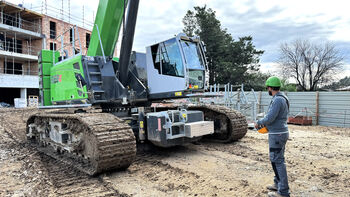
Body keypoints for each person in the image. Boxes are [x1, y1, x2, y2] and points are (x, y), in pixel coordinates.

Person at [255, 76, 290, 197]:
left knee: (278, 161)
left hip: (277, 134)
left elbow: (270, 118)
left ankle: (283, 191)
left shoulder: (277, 100)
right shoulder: (282, 97)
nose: (267, 90)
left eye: (267, 88)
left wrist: (259, 122)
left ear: (270, 88)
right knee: (276, 160)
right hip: (280, 132)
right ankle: (278, 184)